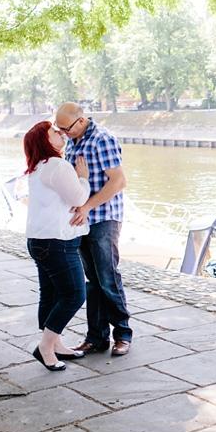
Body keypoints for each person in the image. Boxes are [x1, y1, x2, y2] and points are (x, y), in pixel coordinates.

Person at [54, 102, 133, 357]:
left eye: (66, 128)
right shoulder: (74, 141)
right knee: (92, 282)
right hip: (83, 220)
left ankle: (122, 334)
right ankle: (96, 337)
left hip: (104, 218)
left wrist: (87, 206)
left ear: (80, 120)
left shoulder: (102, 139)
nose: (63, 133)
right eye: (60, 129)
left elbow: (119, 181)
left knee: (108, 277)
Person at [23, 121, 91, 371]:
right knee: (74, 294)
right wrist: (83, 178)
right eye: (54, 132)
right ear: (45, 141)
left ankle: (56, 343)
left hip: (39, 240)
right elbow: (78, 198)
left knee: (50, 294)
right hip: (57, 242)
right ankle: (45, 346)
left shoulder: (38, 167)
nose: (60, 133)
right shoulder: (57, 166)